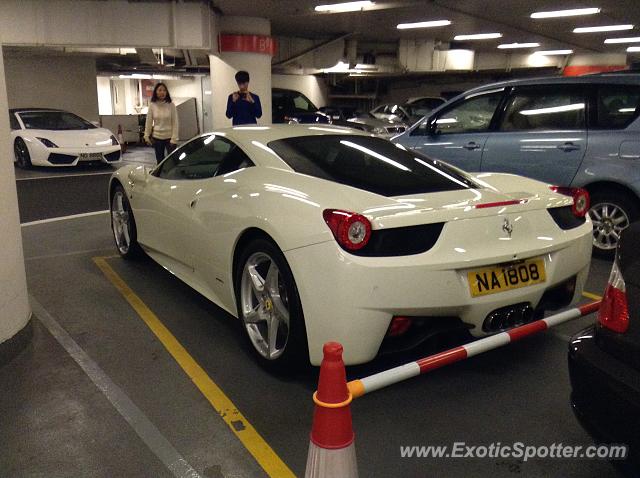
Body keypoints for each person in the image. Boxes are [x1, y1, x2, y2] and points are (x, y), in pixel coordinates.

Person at [144, 83, 179, 164]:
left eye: (164, 90)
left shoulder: (171, 105)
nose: (162, 92)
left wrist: (174, 138)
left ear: (166, 92)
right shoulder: (152, 105)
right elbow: (148, 122)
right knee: (160, 162)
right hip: (157, 138)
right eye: (160, 90)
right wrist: (146, 135)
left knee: (173, 161)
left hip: (170, 138)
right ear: (156, 92)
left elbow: (175, 122)